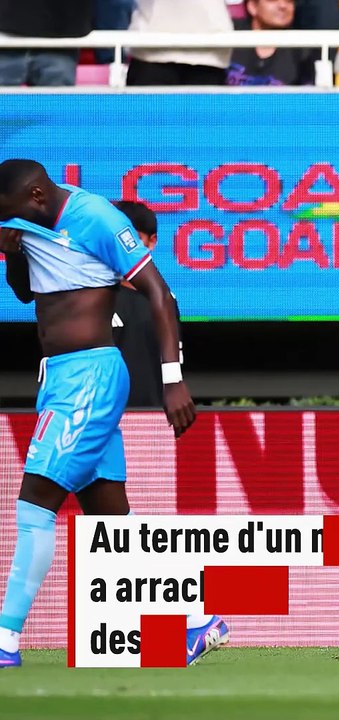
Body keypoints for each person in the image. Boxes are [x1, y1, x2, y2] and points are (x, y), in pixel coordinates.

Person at [0, 160, 212, 669]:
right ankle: (195, 620)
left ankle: (5, 639)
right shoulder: (29, 220)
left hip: (89, 378)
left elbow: (159, 293)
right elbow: (29, 293)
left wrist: (172, 379)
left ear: (34, 194)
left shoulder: (95, 216)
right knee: (110, 521)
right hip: (60, 377)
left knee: (34, 506)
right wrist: (10, 258)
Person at [110, 200, 183, 409]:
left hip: (153, 415)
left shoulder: (166, 300)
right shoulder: (94, 295)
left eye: (132, 239)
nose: (122, 249)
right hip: (104, 414)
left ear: (152, 242)